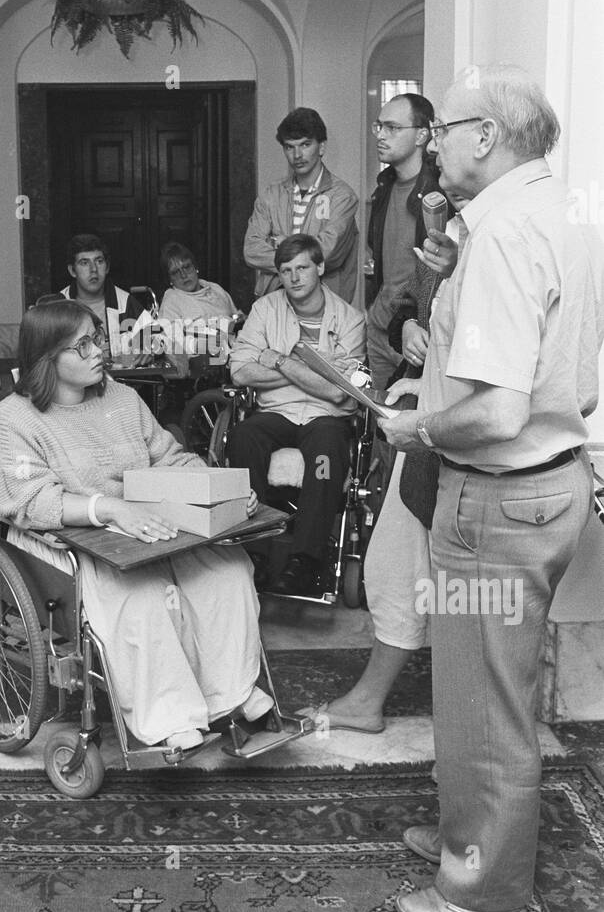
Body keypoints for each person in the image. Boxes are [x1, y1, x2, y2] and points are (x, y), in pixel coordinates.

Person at [380, 65, 604, 912]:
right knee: (481, 686)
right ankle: (462, 833)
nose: (433, 139)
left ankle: (482, 890)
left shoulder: (507, 232)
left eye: (447, 126)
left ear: (487, 136)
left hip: (497, 501)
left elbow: (502, 407)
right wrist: (451, 267)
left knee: (485, 700)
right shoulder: (561, 214)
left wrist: (421, 430)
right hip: (546, 490)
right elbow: (561, 378)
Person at [0, 299, 272, 750]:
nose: (98, 350)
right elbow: (28, 500)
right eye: (81, 346)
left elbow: (167, 456)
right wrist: (111, 509)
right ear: (48, 359)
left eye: (97, 337)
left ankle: (228, 695)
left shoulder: (121, 398)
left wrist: (220, 490)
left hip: (150, 524)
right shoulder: (13, 419)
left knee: (227, 572)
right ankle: (169, 715)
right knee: (147, 598)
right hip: (74, 539)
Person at [321, 219, 460, 733]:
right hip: (427, 428)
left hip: (460, 441)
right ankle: (372, 700)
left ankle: (460, 729)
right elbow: (412, 304)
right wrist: (407, 331)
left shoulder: (504, 240)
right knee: (396, 566)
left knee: (461, 590)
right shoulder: (448, 224)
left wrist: (427, 393)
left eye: (443, 133)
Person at [227, 234, 367, 595]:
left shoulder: (350, 319)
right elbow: (240, 371)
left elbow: (339, 391)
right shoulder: (265, 310)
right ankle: (253, 552)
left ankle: (305, 560)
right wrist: (314, 371)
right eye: (286, 270)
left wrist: (275, 359)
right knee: (245, 435)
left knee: (325, 456)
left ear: (319, 267)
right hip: (278, 411)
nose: (295, 277)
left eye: (302, 267)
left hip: (326, 417)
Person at [366, 92, 442, 390]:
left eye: (393, 128)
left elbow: (437, 271)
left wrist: (413, 322)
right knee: (382, 425)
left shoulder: (439, 191)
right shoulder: (383, 188)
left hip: (416, 333)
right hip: (379, 327)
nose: (381, 136)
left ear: (422, 135)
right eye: (379, 127)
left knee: (413, 424)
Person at [243, 107, 359, 303]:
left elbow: (327, 253)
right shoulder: (271, 194)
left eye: (305, 144)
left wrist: (280, 242)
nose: (297, 154)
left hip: (324, 305)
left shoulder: (342, 196)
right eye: (289, 147)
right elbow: (252, 250)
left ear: (321, 147)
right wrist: (305, 253)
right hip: (275, 302)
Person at [59, 233, 152, 360]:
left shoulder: (125, 302)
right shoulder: (59, 304)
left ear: (107, 267)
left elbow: (157, 336)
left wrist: (148, 350)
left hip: (120, 378)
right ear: (72, 271)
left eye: (99, 261)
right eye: (84, 262)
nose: (93, 269)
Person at [158, 240, 244, 363]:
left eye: (186, 267)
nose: (183, 275)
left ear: (195, 267)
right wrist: (203, 344)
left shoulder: (215, 289)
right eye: (175, 272)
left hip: (235, 354)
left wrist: (239, 319)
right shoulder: (171, 301)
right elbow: (173, 345)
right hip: (204, 364)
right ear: (169, 279)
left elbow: (235, 318)